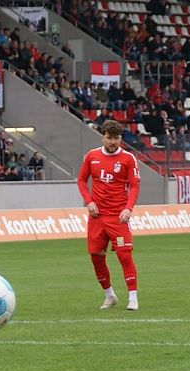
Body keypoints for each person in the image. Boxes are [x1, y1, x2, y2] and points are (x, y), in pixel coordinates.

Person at [77, 119, 141, 311]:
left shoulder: (128, 158)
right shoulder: (92, 156)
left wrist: (128, 208)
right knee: (96, 256)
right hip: (97, 216)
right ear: (102, 137)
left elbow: (135, 186)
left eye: (116, 138)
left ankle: (133, 298)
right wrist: (89, 201)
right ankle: (109, 295)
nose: (113, 142)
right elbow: (81, 180)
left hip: (118, 216)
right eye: (109, 138)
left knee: (124, 255)